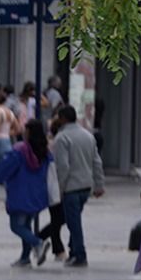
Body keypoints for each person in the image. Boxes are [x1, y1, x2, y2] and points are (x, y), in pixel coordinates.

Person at [0, 119, 53, 267]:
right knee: (26, 225)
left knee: (16, 226)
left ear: (28, 132)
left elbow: (4, 168)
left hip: (20, 194)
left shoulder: (19, 151)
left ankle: (38, 243)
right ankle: (25, 258)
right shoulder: (44, 151)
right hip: (37, 195)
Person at [51, 105, 105, 267]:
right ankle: (74, 250)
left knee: (74, 223)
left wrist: (59, 189)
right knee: (74, 219)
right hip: (85, 186)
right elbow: (97, 162)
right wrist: (99, 184)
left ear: (62, 118)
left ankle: (79, 254)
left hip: (71, 187)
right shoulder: (88, 136)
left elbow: (63, 167)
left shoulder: (61, 138)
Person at [37, 116, 67, 262]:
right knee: (59, 218)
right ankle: (41, 238)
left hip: (54, 186)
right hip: (56, 186)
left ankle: (58, 249)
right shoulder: (56, 144)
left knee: (58, 218)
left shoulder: (54, 143)